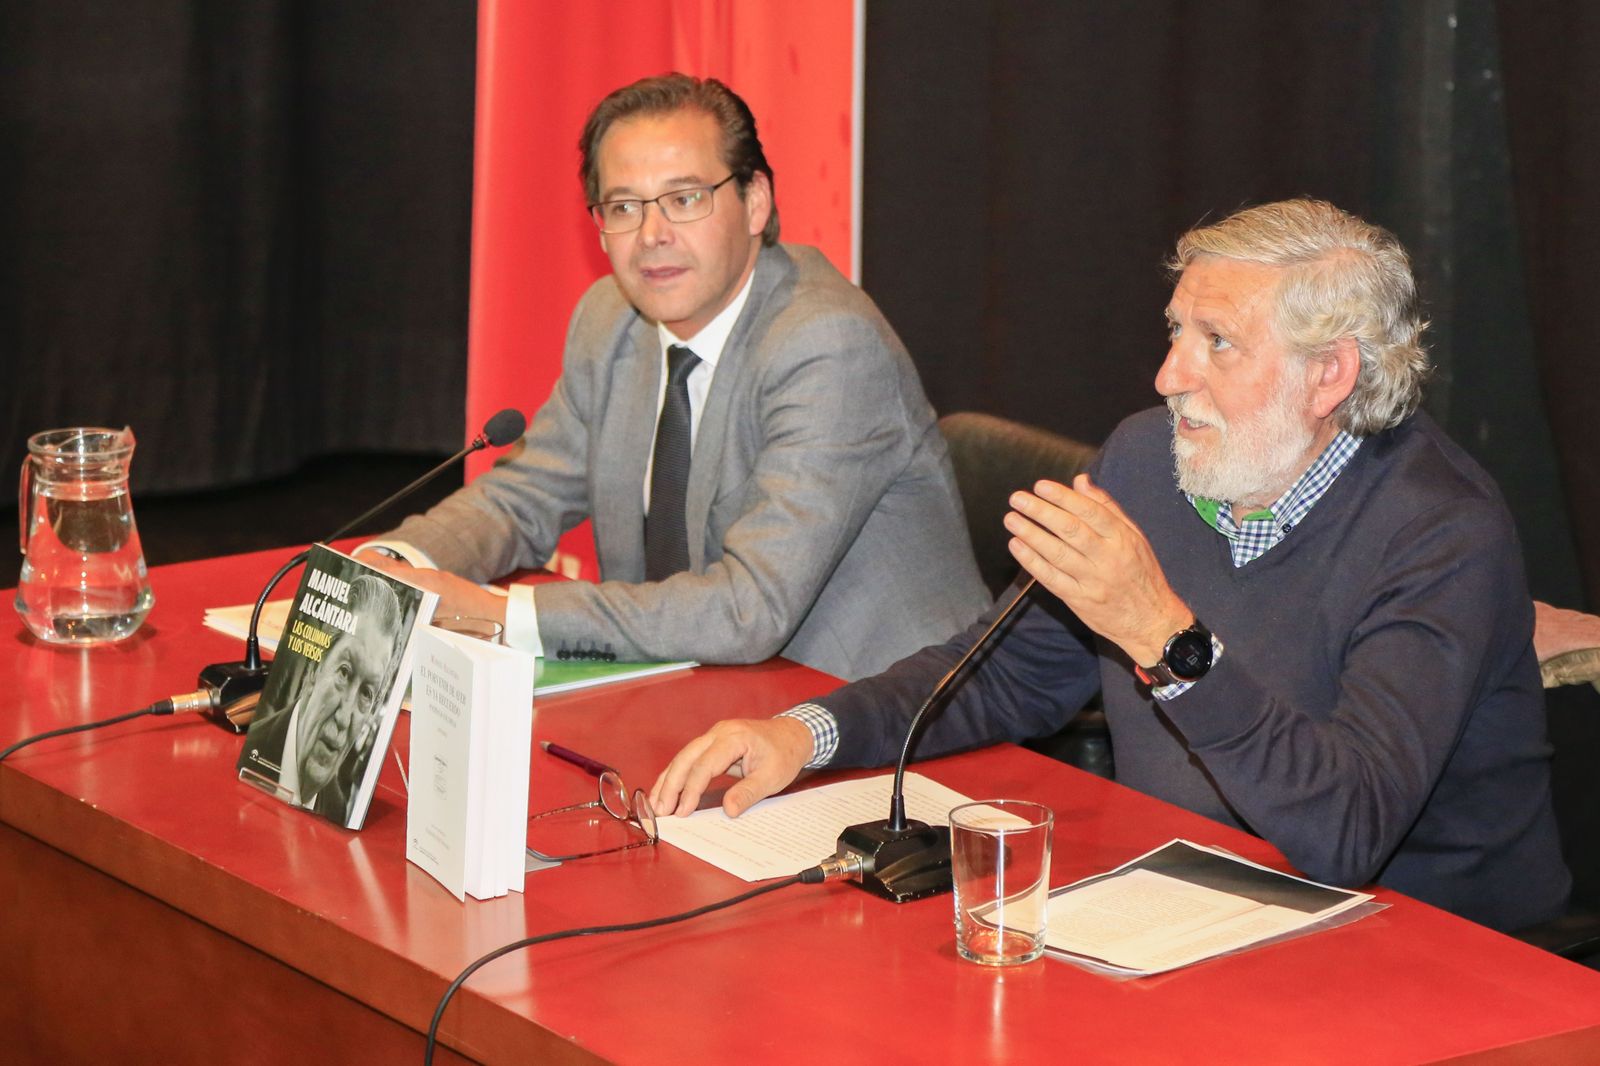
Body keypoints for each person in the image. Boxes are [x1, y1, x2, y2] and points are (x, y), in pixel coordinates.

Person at [651, 198, 1571, 933]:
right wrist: (806, 734)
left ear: (1329, 375)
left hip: (1422, 951)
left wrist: (1167, 640)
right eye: (1176, 331)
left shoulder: (1443, 533)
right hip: (1174, 901)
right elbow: (1003, 674)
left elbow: (1348, 831)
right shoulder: (1146, 459)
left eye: (1217, 342)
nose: (1170, 374)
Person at [361, 73, 988, 682]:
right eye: (625, 207)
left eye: (685, 199)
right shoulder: (609, 319)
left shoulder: (827, 345)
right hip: (697, 686)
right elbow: (521, 499)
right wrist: (391, 569)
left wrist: (501, 615)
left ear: (755, 203)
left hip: (877, 711)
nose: (653, 236)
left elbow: (750, 608)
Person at [242, 574, 402, 820]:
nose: (344, 716)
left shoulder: (337, 807)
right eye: (344, 672)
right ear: (315, 667)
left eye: (366, 693)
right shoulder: (256, 748)